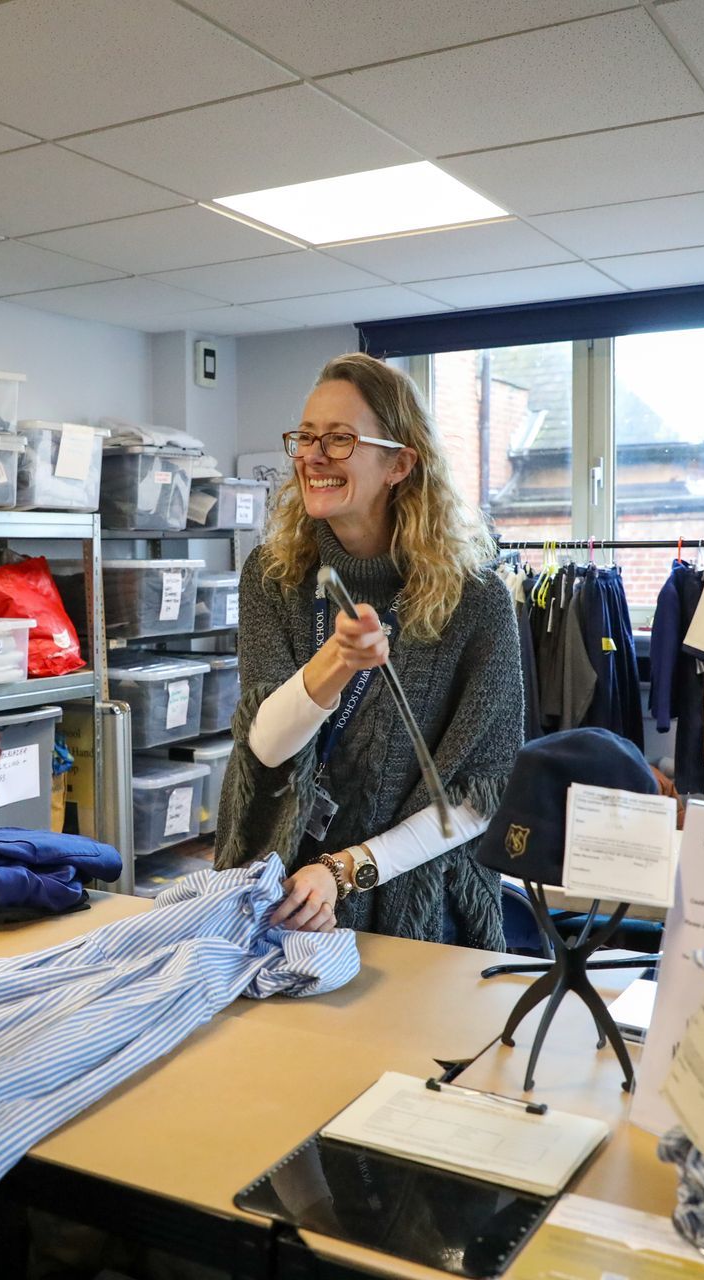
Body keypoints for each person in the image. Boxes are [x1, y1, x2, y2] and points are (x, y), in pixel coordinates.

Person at [215, 353, 525, 946]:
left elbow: (482, 794)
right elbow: (266, 746)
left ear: (399, 463)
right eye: (305, 437)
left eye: (338, 439)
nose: (311, 456)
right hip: (274, 884)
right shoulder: (274, 575)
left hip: (412, 903)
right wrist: (333, 665)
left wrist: (346, 869)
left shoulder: (475, 597)